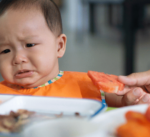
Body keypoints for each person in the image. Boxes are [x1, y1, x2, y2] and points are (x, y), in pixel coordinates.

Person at [0, 0, 148, 107]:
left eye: (29, 44)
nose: (18, 58)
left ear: (59, 46)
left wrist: (132, 97)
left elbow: (122, 99)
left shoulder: (86, 85)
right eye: (5, 50)